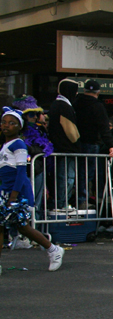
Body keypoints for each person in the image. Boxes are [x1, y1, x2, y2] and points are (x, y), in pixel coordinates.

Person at [0, 107, 65, 274]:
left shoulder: (19, 144)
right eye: (4, 122)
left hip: (16, 193)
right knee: (10, 226)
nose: (7, 126)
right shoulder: (5, 144)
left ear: (19, 127)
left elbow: (21, 172)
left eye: (12, 123)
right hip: (5, 191)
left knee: (24, 227)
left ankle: (53, 249)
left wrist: (14, 196)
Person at [74, 79, 113, 209]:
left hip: (75, 143)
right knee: (86, 173)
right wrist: (110, 146)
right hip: (91, 144)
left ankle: (76, 198)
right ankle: (82, 200)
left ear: (85, 90)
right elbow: (104, 128)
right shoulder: (98, 106)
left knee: (74, 172)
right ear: (98, 92)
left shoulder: (75, 103)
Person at [47, 79, 81, 208]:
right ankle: (61, 204)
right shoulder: (63, 106)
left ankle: (61, 203)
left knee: (64, 177)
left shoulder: (57, 104)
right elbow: (70, 130)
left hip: (62, 148)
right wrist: (77, 143)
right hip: (66, 149)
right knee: (66, 178)